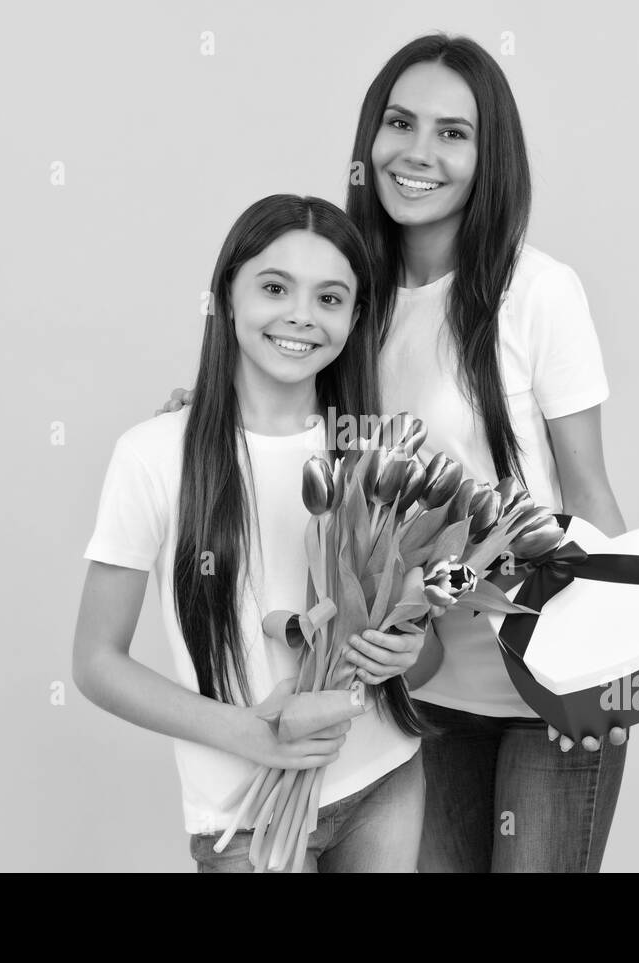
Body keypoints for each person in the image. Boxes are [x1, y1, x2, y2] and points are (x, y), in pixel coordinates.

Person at [157, 34, 630, 873]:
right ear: (369, 139)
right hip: (415, 688)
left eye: (453, 132)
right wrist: (217, 406)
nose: (419, 153)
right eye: (399, 123)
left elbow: (588, 485)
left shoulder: (536, 292)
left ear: (491, 157)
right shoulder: (351, 301)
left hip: (548, 687)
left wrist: (615, 667)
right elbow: (306, 421)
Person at [74, 195, 426, 872]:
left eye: (329, 298)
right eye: (273, 287)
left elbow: (423, 660)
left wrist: (407, 651)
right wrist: (253, 735)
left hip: (383, 778)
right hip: (243, 814)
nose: (300, 315)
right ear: (226, 298)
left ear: (355, 319)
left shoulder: (376, 455)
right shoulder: (154, 455)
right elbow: (95, 661)